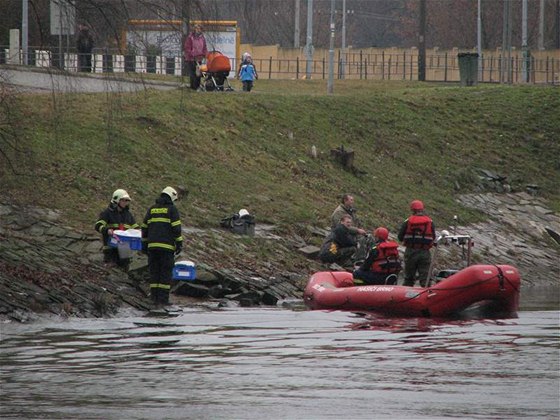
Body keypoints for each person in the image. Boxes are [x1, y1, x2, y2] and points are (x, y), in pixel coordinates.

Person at [141, 186, 183, 306]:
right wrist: (179, 243)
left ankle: (154, 298)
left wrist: (144, 244)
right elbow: (176, 228)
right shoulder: (172, 210)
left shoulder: (152, 209)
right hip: (166, 248)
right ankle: (163, 300)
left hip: (152, 247)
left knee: (154, 272)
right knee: (165, 273)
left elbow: (144, 228)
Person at [94, 189, 139, 271]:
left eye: (126, 201)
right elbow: (98, 225)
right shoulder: (107, 213)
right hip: (110, 249)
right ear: (116, 200)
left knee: (123, 271)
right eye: (123, 200)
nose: (125, 203)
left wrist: (139, 232)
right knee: (111, 271)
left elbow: (136, 228)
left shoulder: (128, 215)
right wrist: (107, 230)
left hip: (124, 249)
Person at [397, 200, 435, 287]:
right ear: (422, 209)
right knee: (425, 278)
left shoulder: (408, 221)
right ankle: (428, 295)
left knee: (409, 278)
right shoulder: (430, 221)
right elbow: (433, 236)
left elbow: (400, 237)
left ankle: (405, 296)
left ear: (412, 210)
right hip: (425, 252)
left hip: (411, 252)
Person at [184, 23, 208, 90]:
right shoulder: (190, 37)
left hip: (199, 58)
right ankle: (193, 87)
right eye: (197, 29)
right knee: (193, 73)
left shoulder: (202, 38)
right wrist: (192, 54)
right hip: (191, 58)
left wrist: (205, 54)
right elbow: (187, 48)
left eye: (200, 29)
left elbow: (204, 47)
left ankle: (197, 86)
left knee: (199, 73)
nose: (198, 30)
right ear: (194, 29)